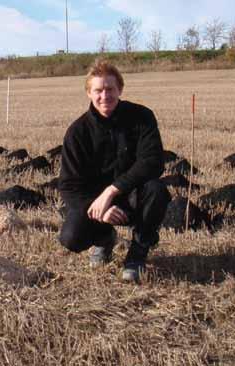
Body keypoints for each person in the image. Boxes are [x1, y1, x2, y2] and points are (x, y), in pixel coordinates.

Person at [58, 60, 171, 282]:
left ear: (120, 89)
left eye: (110, 89)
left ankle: (137, 255)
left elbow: (153, 161)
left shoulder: (142, 117)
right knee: (70, 238)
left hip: (132, 196)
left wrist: (112, 191)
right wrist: (99, 209)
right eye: (98, 90)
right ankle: (104, 239)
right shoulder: (77, 132)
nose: (105, 96)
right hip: (95, 203)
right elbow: (69, 186)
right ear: (89, 93)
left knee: (157, 190)